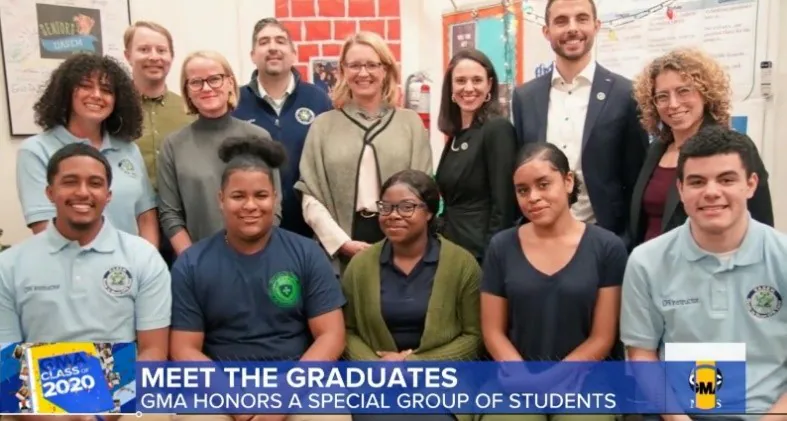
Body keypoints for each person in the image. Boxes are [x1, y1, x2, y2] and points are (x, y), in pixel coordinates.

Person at [169, 135, 349, 421]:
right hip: (219, 388)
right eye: (238, 196)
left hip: (297, 383)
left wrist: (282, 397)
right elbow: (183, 348)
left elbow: (331, 335)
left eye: (261, 196)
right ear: (221, 200)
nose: (250, 206)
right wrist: (234, 398)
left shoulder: (306, 253)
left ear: (275, 198)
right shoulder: (192, 263)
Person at [621, 126, 787, 420]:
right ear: (681, 190)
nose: (712, 192)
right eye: (697, 181)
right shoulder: (646, 262)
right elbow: (642, 356)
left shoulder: (782, 257)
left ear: (750, 184)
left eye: (726, 179)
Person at [479, 143, 626, 421]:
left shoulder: (607, 247)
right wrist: (523, 378)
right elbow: (493, 331)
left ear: (568, 181)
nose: (533, 197)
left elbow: (602, 337)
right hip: (515, 377)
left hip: (586, 379)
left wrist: (546, 383)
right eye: (522, 190)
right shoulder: (501, 246)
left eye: (543, 184)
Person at [0, 142, 171, 354]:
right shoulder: (8, 266)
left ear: (108, 195)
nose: (82, 192)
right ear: (50, 193)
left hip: (125, 385)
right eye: (70, 182)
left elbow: (153, 350)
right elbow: (7, 359)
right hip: (36, 385)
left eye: (95, 183)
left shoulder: (143, 258)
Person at [510, 0, 648, 245]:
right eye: (561, 21)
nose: (572, 28)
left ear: (596, 26)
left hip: (604, 240)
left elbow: (636, 178)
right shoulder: (525, 97)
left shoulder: (625, 94)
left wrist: (626, 240)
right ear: (546, 31)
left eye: (581, 19)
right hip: (540, 241)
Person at [295, 31, 433, 274]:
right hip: (341, 243)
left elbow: (424, 193)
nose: (363, 73)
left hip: (402, 242)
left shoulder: (409, 123)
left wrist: (400, 241)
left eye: (372, 64)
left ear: (385, 70)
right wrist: (341, 243)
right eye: (355, 65)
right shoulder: (323, 126)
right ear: (343, 71)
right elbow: (310, 196)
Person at [628, 47, 773, 249]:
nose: (673, 104)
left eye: (683, 91)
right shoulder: (656, 149)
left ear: (705, 94)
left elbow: (760, 221)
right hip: (652, 269)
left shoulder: (733, 148)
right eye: (662, 96)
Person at [16, 53, 158, 246]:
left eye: (107, 90)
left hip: (130, 270)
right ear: (66, 92)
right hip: (71, 270)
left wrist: (146, 264)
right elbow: (44, 228)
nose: (97, 95)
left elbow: (146, 217)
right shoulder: (36, 150)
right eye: (85, 86)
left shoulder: (129, 149)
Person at [157, 50, 282, 256]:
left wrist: (256, 253)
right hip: (198, 261)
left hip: (257, 257)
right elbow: (170, 214)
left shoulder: (258, 137)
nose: (206, 88)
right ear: (187, 91)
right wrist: (193, 262)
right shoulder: (173, 145)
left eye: (215, 79)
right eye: (196, 82)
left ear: (230, 83)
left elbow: (274, 207)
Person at [233, 17, 333, 238]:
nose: (273, 48)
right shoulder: (235, 102)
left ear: (293, 53)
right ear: (252, 55)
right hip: (253, 226)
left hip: (310, 228)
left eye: (280, 41)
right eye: (264, 42)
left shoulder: (319, 100)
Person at [436, 49, 518, 262]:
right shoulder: (456, 136)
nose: (469, 88)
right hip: (451, 247)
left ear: (489, 85)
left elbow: (504, 206)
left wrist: (492, 257)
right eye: (461, 80)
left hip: (481, 252)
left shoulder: (497, 130)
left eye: (477, 80)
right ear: (451, 88)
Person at [124, 20, 195, 265]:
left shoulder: (189, 108)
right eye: (144, 49)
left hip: (182, 226)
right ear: (128, 55)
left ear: (171, 57)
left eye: (161, 50)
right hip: (130, 225)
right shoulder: (113, 110)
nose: (154, 57)